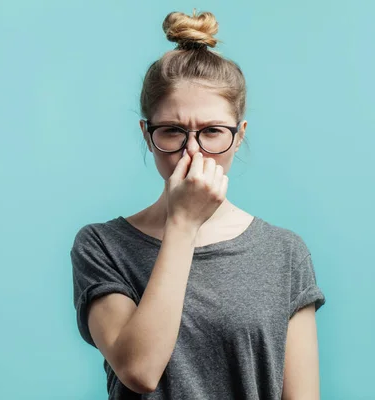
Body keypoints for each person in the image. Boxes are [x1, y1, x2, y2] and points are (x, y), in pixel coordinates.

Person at [70, 9, 326, 400]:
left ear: (238, 136)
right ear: (146, 133)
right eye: (172, 131)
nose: (192, 151)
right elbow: (139, 370)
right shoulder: (102, 246)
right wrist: (183, 223)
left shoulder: (284, 253)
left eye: (212, 132)